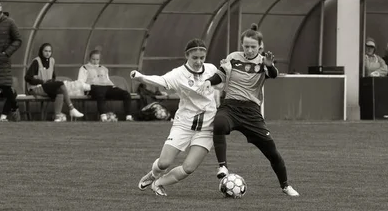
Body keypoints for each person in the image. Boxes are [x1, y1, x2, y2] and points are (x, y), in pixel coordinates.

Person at [197, 24, 299, 197]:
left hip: (251, 112)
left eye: (253, 47)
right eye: (246, 46)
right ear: (242, 46)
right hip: (230, 106)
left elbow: (273, 75)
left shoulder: (263, 61)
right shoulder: (233, 58)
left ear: (260, 47)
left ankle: (285, 186)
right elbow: (220, 74)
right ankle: (222, 166)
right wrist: (209, 81)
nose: (249, 50)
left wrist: (270, 65)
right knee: (219, 123)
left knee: (272, 152)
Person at [131, 39, 219, 196]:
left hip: (207, 128)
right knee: (164, 162)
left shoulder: (211, 69)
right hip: (184, 125)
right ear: (187, 56)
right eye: (195, 58)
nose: (199, 61)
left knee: (189, 168)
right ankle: (154, 174)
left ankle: (158, 184)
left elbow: (224, 79)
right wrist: (141, 77)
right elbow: (161, 80)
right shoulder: (179, 74)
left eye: (202, 58)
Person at [25, 43, 84, 122]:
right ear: (41, 51)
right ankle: (71, 109)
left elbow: (53, 77)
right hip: (35, 88)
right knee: (60, 84)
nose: (47, 53)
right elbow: (27, 77)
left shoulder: (52, 61)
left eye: (49, 51)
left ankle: (57, 117)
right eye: (45, 51)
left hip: (47, 87)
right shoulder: (36, 61)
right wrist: (41, 81)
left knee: (60, 92)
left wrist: (50, 82)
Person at [77, 50, 133, 122]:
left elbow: (107, 80)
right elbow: (80, 83)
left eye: (97, 59)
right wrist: (90, 87)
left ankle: (128, 116)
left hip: (107, 87)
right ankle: (103, 116)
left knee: (126, 94)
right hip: (94, 88)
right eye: (93, 59)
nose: (95, 61)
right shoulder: (84, 68)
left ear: (99, 59)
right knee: (100, 94)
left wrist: (113, 86)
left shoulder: (104, 69)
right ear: (89, 58)